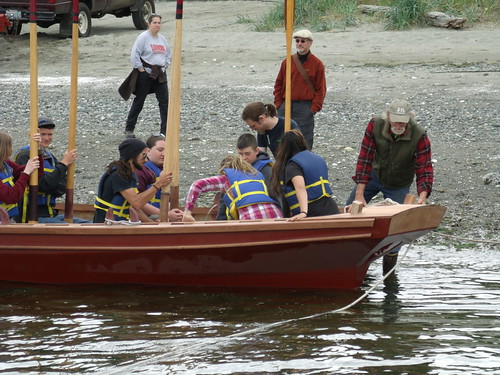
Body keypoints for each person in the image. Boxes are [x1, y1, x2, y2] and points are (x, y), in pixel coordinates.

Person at [345, 99, 434, 273]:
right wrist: (359, 194)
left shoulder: (419, 134)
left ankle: (389, 273)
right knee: (349, 213)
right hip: (373, 176)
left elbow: (424, 168)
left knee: (396, 229)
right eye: (395, 120)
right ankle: (350, 261)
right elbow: (364, 159)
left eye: (403, 121)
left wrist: (422, 197)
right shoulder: (375, 125)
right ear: (387, 116)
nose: (398, 124)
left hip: (398, 183)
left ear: (410, 118)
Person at [13, 116, 88, 223]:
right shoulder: (25, 155)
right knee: (70, 230)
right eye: (43, 134)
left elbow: (61, 188)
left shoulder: (50, 157)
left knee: (87, 224)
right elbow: (42, 185)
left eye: (50, 134)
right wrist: (64, 163)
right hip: (32, 217)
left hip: (51, 213)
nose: (47, 138)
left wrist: (50, 183)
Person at [93, 138, 173, 223]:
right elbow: (137, 203)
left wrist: (151, 224)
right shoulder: (117, 175)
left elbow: (134, 208)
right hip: (105, 225)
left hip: (120, 223)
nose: (146, 160)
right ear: (133, 156)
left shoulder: (131, 174)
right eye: (143, 156)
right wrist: (159, 183)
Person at [183, 155, 283, 222]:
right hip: (276, 215)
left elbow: (197, 185)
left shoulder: (226, 178)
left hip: (251, 218)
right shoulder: (257, 175)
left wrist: (187, 212)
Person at [273, 29, 327, 150]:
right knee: (282, 138)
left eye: (303, 41)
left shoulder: (317, 64)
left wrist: (313, 109)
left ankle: (304, 164)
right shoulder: (287, 61)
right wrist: (278, 104)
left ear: (310, 43)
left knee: (304, 139)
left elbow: (321, 89)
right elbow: (278, 84)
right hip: (285, 105)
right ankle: (283, 163)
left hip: (304, 107)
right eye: (297, 41)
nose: (299, 43)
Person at [270, 129, 340, 220]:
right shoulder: (318, 158)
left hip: (313, 212)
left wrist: (303, 212)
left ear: (283, 147)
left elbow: (300, 187)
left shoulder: (293, 165)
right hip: (331, 208)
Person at [124, 14, 171, 138]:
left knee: (165, 102)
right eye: (154, 22)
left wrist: (165, 66)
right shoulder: (143, 37)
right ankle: (129, 129)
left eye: (159, 22)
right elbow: (135, 54)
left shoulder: (162, 39)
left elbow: (168, 54)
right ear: (149, 24)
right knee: (139, 100)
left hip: (160, 74)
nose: (157, 25)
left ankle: (165, 131)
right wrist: (140, 69)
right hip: (146, 73)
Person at [215, 133, 275, 220]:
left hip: (262, 218)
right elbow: (224, 199)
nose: (243, 158)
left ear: (257, 151)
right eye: (240, 154)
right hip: (238, 219)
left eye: (247, 154)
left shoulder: (266, 171)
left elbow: (275, 197)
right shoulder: (234, 170)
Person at [135, 134, 183, 221]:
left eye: (167, 150)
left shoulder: (167, 169)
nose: (164, 154)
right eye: (160, 150)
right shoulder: (141, 171)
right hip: (146, 218)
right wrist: (165, 214)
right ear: (148, 151)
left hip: (162, 214)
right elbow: (136, 202)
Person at [0, 132, 43, 222]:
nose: (11, 150)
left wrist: (38, 149)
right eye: (9, 145)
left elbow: (36, 174)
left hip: (8, 220)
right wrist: (26, 172)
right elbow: (11, 196)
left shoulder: (6, 164)